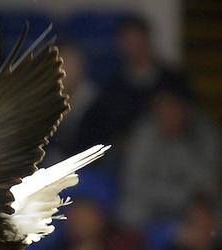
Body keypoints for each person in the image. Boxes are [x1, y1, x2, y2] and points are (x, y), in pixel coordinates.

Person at [78, 15, 188, 156]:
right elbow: (98, 126)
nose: (133, 47)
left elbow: (190, 119)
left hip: (173, 151)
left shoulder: (173, 80)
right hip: (126, 158)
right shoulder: (113, 86)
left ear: (147, 39)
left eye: (137, 39)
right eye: (128, 41)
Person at [118, 85, 220, 228]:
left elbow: (207, 183)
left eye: (172, 106)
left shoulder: (206, 133)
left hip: (193, 205)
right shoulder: (145, 133)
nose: (167, 114)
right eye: (161, 108)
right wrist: (175, 195)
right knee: (130, 212)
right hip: (153, 202)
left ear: (185, 108)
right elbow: (132, 181)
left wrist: (179, 143)